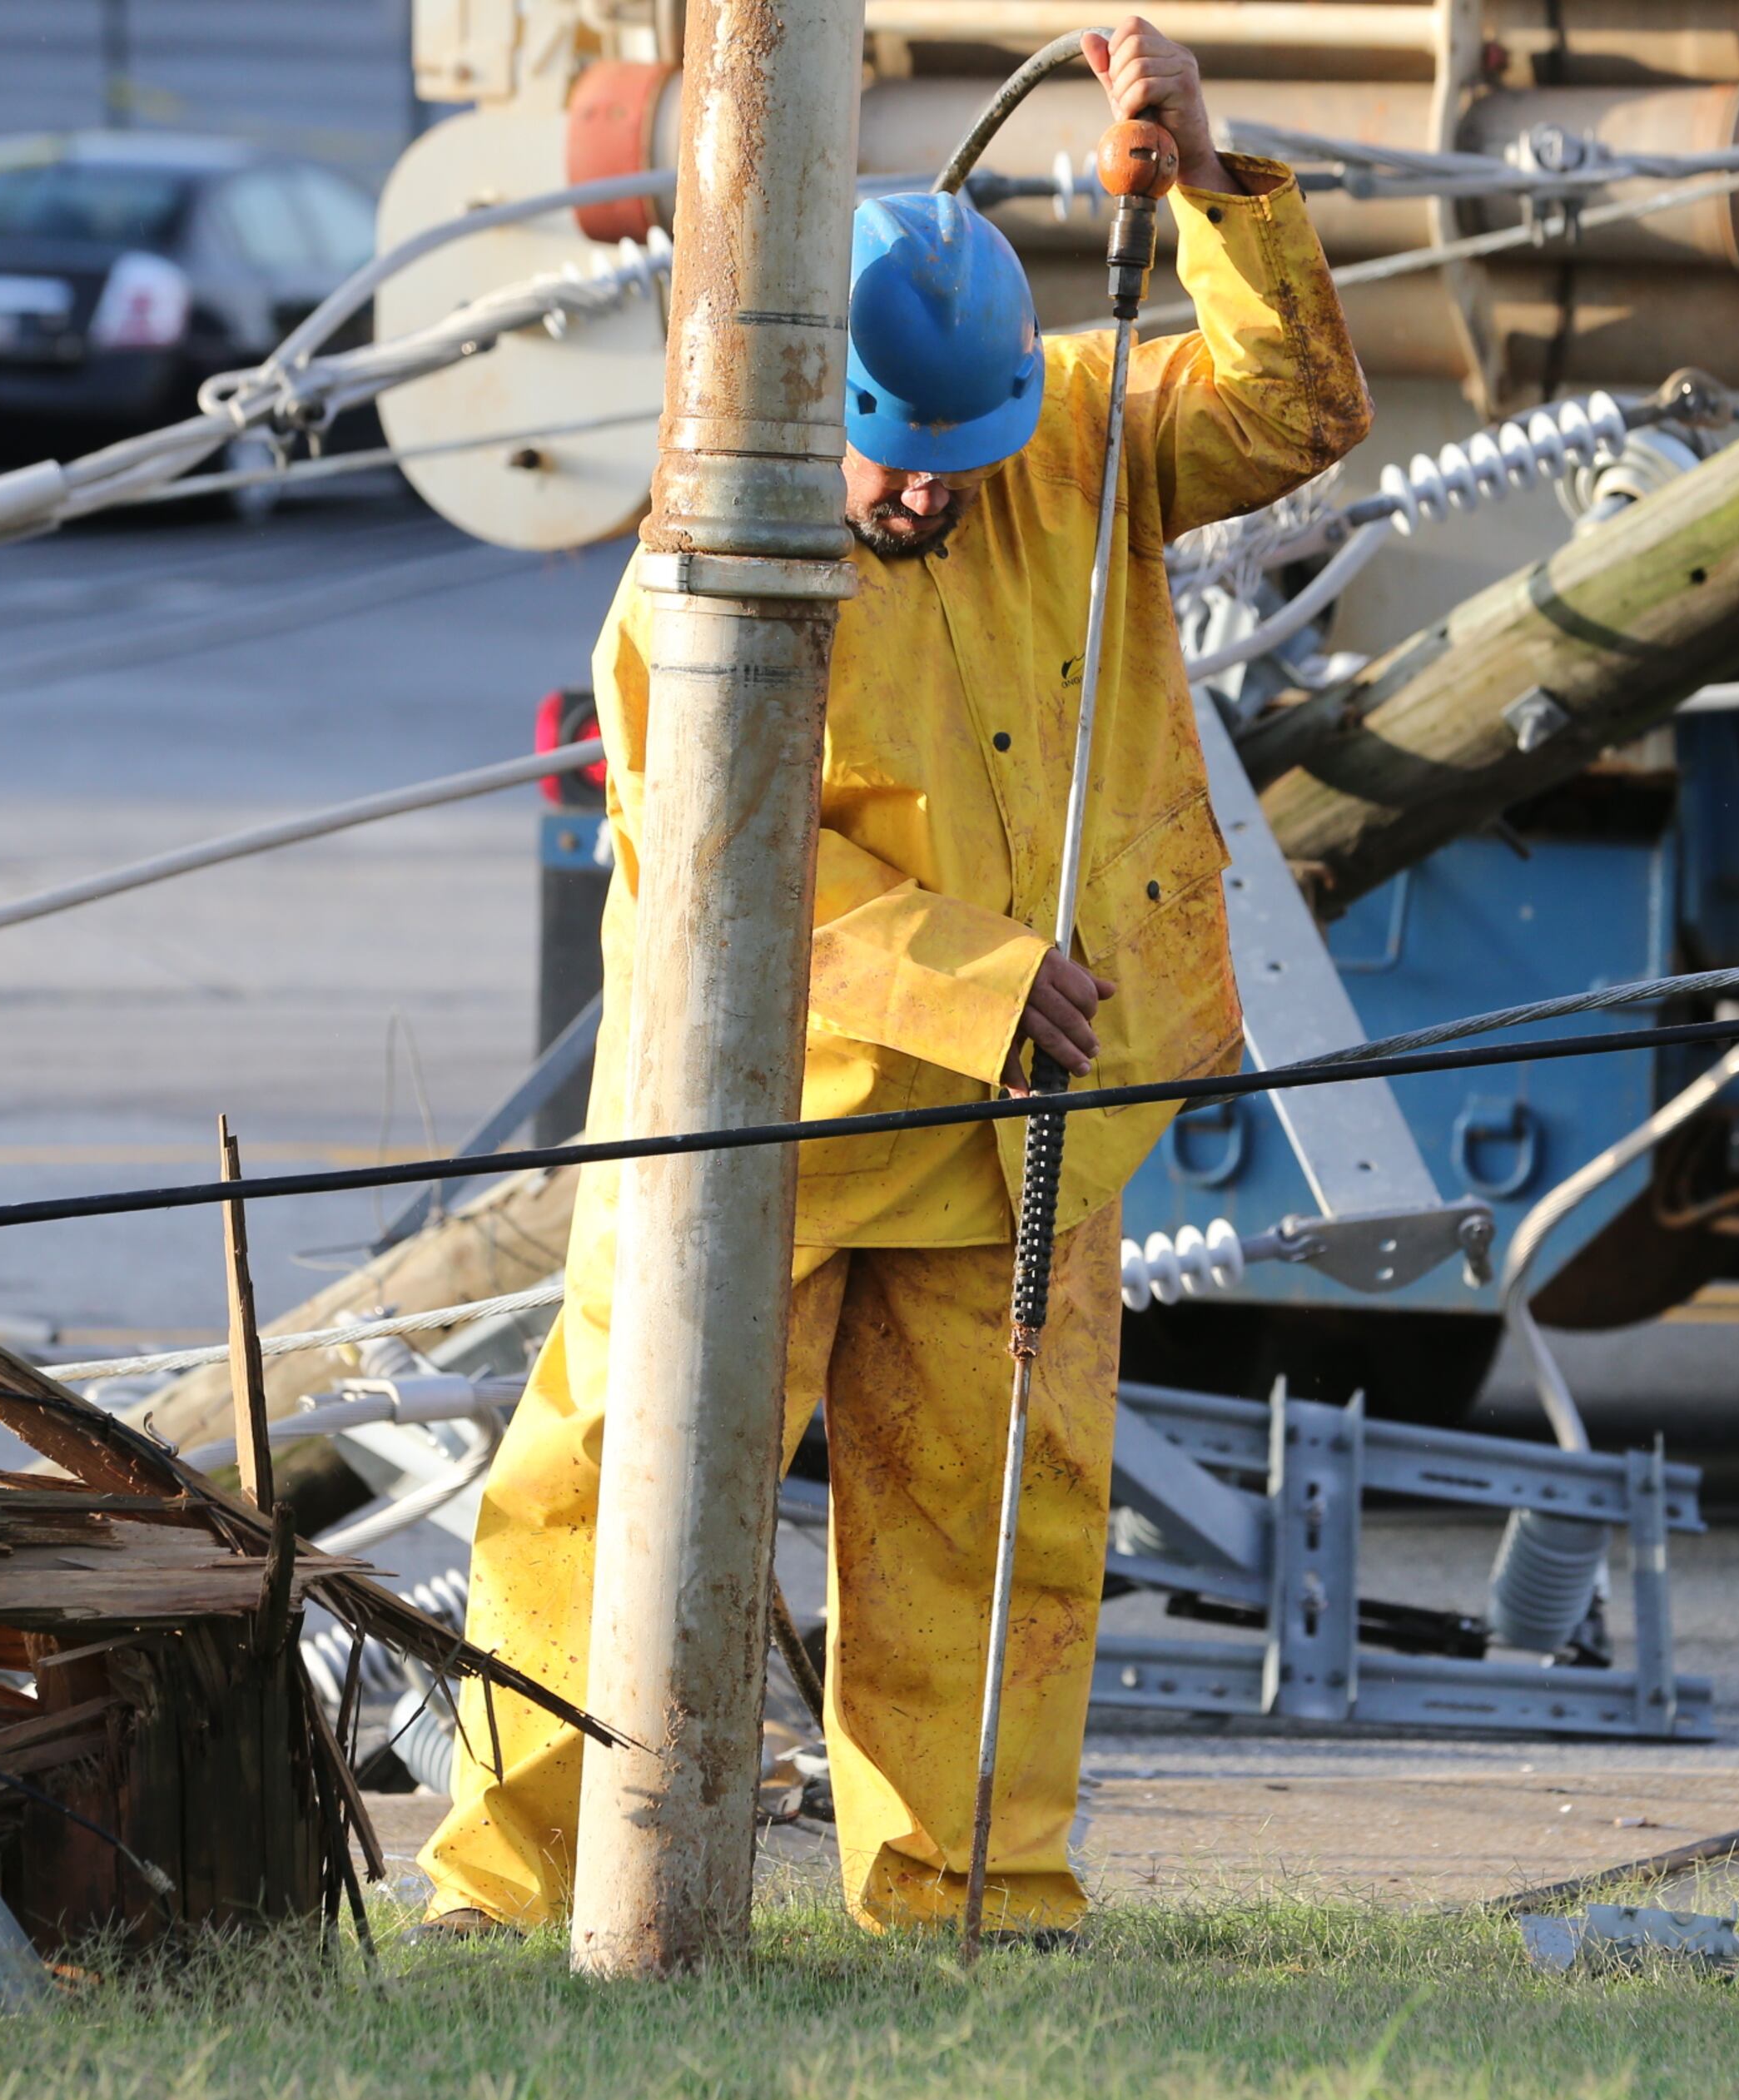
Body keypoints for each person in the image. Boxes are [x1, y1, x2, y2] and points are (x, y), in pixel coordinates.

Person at [416, 16, 1369, 1939]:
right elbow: (723, 866)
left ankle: (976, 1902)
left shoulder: (1078, 439)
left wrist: (1213, 183)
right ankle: (509, 1895)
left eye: (964, 457)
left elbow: (1293, 413)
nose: (934, 498)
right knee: (609, 1498)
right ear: (800, 391)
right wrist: (981, 975)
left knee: (996, 1524)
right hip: (772, 1127)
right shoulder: (699, 569)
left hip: (1020, 1132)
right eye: (898, 463)